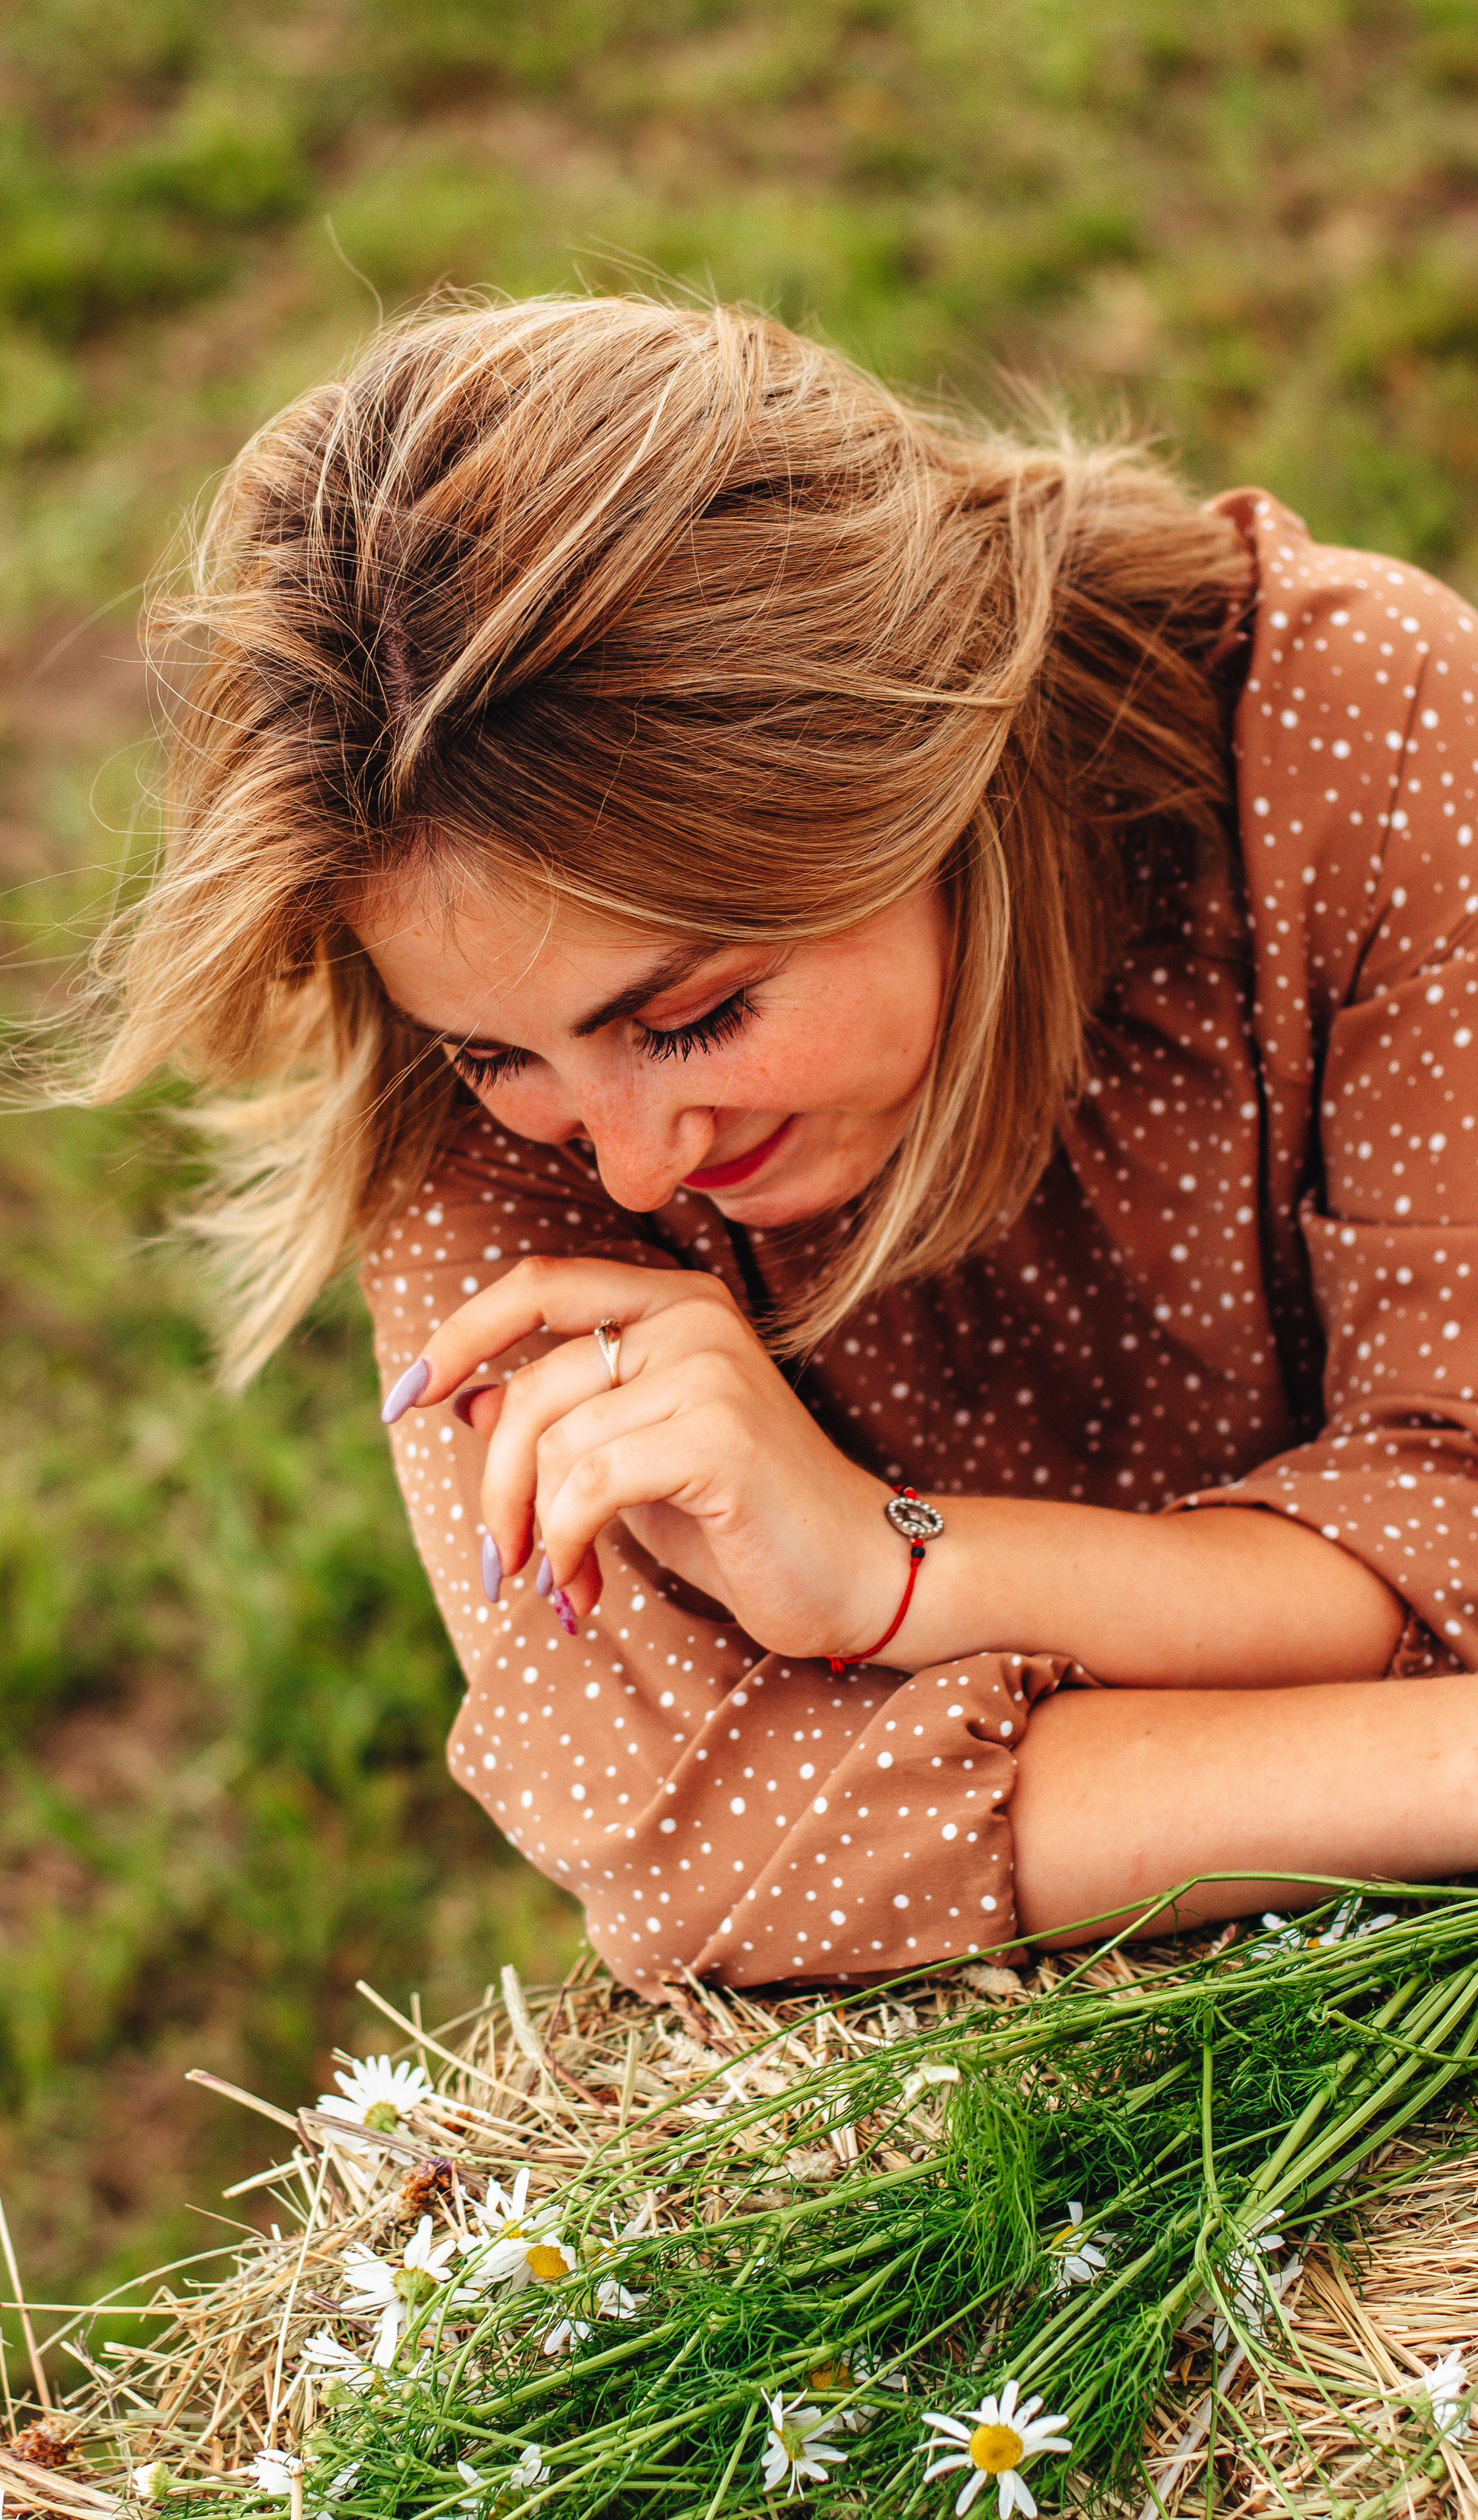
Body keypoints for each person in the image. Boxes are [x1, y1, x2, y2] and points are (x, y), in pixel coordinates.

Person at [85, 294, 1478, 1998]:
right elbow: (710, 1849)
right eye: (500, 1054)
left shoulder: (1354, 735)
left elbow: (1462, 1511)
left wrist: (891, 1574)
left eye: (692, 1016)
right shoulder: (462, 1124)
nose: (630, 1172)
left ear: (925, 773)